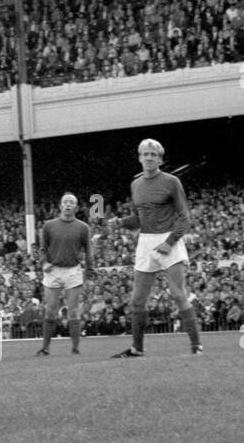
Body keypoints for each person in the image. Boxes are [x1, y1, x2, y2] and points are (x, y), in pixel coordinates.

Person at [104, 139, 203, 357]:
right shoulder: (136, 185)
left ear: (160, 158)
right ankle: (137, 348)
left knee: (178, 294)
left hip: (170, 239)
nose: (149, 157)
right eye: (145, 154)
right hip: (146, 241)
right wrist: (120, 222)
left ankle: (196, 346)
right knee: (137, 300)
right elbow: (139, 218)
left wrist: (169, 242)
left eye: (153, 154)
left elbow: (184, 216)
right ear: (139, 157)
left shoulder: (172, 181)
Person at [36, 192, 94, 355]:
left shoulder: (83, 227)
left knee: (73, 310)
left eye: (71, 202)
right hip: (53, 270)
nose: (68, 204)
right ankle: (45, 347)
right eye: (65, 202)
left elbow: (89, 251)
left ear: (76, 207)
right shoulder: (48, 225)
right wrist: (44, 262)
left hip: (73, 270)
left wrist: (90, 271)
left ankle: (75, 348)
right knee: (50, 310)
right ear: (60, 205)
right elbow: (41, 248)